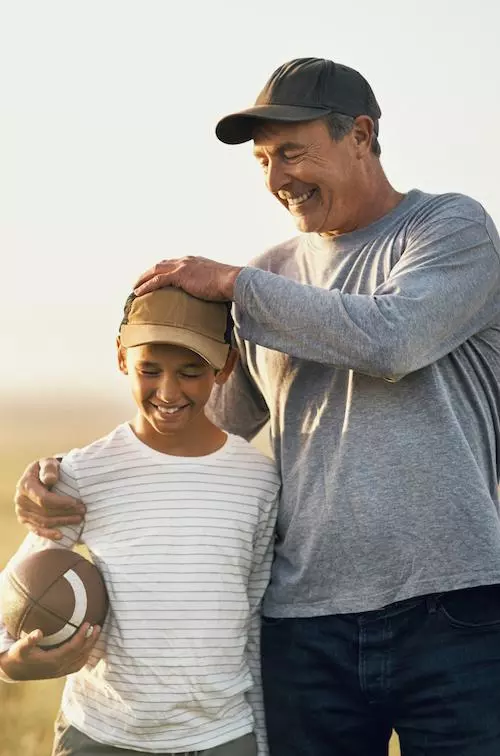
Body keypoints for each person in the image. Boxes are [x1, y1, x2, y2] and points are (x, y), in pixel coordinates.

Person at [15, 56, 500, 755]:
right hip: (306, 626)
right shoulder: (271, 276)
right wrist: (66, 480)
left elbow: (394, 340)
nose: (279, 180)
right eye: (265, 161)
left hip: (454, 610)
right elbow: (203, 428)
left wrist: (234, 284)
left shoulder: (448, 230)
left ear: (360, 135)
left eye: (295, 153)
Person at [2, 287, 279, 756]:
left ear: (226, 366)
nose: (169, 392)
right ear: (121, 358)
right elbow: (16, 590)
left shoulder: (257, 480)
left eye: (191, 373)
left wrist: (261, 742)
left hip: (222, 736)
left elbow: (251, 620)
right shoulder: (82, 474)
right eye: (150, 370)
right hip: (102, 735)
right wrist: (11, 661)